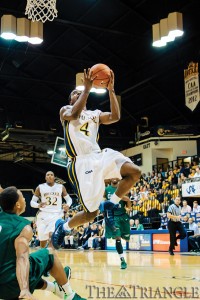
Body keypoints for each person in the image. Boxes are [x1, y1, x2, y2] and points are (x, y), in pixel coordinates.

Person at [52, 68, 141, 249]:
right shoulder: (66, 111)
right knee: (90, 214)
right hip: (81, 162)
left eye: (81, 92)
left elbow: (115, 116)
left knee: (134, 172)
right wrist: (86, 89)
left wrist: (111, 90)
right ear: (71, 99)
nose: (78, 93)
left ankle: (111, 203)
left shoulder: (94, 114)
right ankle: (64, 226)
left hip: (99, 155)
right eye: (75, 93)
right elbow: (75, 115)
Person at [0, 186, 85, 300]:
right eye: (22, 197)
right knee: (48, 253)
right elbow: (22, 257)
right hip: (12, 286)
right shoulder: (23, 227)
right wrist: (24, 289)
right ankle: (70, 295)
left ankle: (55, 288)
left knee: (26, 267)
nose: (25, 199)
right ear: (18, 205)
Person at [30, 171, 72, 248]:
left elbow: (69, 199)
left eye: (51, 175)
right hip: (43, 214)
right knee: (42, 240)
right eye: (48, 175)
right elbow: (32, 202)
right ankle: (43, 253)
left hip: (56, 214)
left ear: (54, 177)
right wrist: (38, 205)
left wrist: (67, 205)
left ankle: (52, 255)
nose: (49, 176)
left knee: (51, 235)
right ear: (45, 177)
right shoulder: (40, 187)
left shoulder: (61, 187)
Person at [101, 178, 131, 269]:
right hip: (113, 217)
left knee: (126, 238)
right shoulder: (106, 190)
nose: (114, 178)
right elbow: (103, 202)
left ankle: (122, 256)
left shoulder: (123, 187)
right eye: (112, 176)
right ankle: (122, 260)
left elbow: (128, 200)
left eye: (116, 176)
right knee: (117, 237)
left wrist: (120, 198)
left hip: (123, 216)